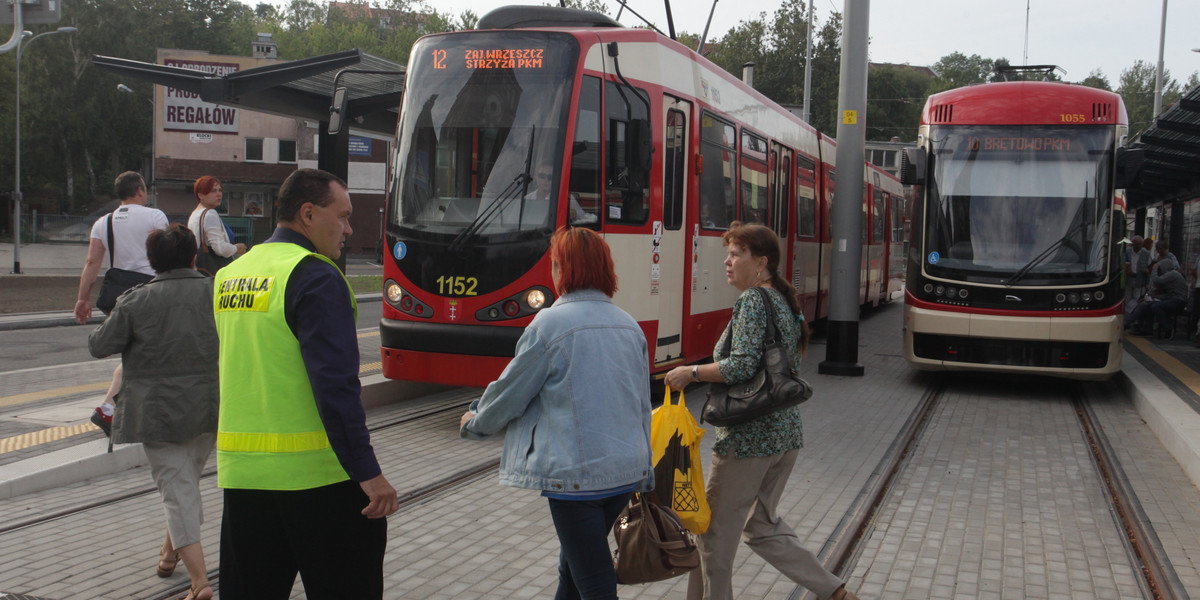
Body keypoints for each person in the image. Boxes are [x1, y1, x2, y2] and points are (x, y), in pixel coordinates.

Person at [214, 168, 399, 599]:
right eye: (345, 215)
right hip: (319, 482)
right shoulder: (314, 275)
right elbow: (336, 387)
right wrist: (368, 473)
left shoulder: (231, 276)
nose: (350, 229)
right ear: (309, 213)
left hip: (243, 480)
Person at [664, 222, 858, 600]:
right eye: (728, 253)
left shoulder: (753, 300)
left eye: (736, 254)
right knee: (763, 526)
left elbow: (741, 367)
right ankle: (834, 593)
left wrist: (690, 372)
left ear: (761, 262)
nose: (727, 261)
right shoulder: (783, 299)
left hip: (749, 440)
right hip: (784, 435)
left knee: (713, 535)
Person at [459, 227, 653, 600]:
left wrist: (476, 422)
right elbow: (640, 404)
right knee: (573, 566)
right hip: (625, 473)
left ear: (563, 269)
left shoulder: (549, 325)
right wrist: (645, 470)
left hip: (576, 480)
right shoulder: (630, 326)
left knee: (594, 578)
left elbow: (510, 393)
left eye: (553, 264)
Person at [86, 224, 218, 600]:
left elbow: (98, 346)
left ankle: (200, 582)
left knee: (177, 492)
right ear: (194, 257)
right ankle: (167, 555)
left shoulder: (136, 300)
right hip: (209, 407)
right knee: (185, 484)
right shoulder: (215, 293)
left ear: (152, 261)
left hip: (157, 415)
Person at [74, 171, 167, 436]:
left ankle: (111, 409)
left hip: (118, 295)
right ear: (139, 190)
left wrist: (82, 298)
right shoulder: (155, 217)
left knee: (134, 354)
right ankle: (110, 409)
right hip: (150, 293)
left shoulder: (104, 222)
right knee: (148, 354)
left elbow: (92, 262)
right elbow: (166, 253)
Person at [187, 175, 246, 270]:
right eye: (213, 191)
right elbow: (220, 248)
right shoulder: (210, 214)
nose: (219, 194)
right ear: (200, 195)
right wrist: (236, 248)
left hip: (199, 267)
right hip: (214, 270)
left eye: (220, 190)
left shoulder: (194, 214)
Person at [1129, 257, 1188, 337]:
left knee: (1156, 306)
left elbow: (1157, 280)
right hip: (1171, 298)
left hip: (1178, 301)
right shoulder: (1169, 276)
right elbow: (1158, 291)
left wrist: (1154, 270)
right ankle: (1146, 328)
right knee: (1147, 305)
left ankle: (1168, 327)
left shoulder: (1172, 274)